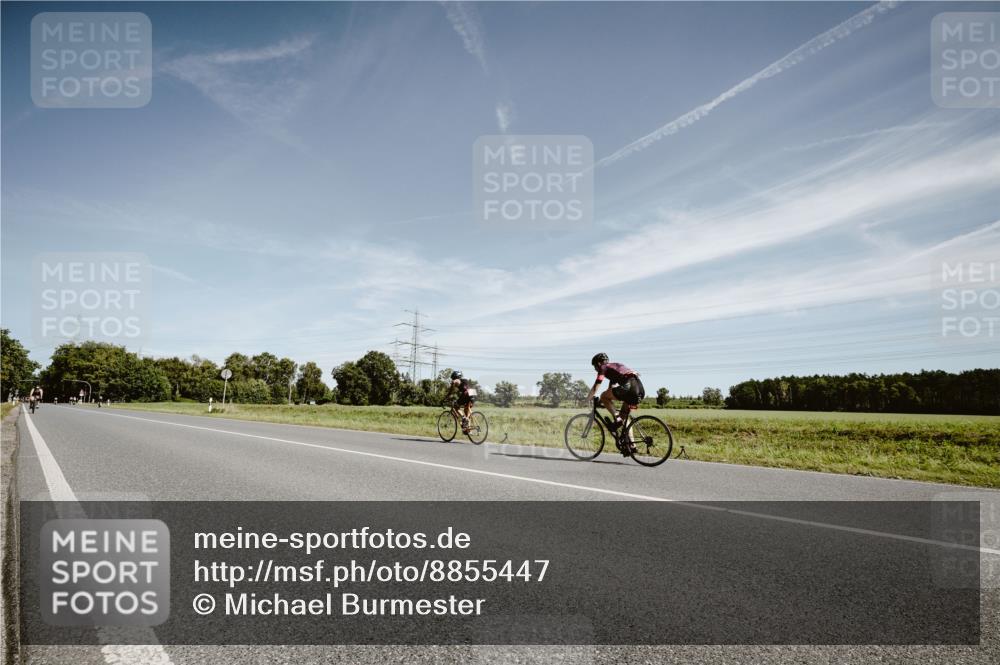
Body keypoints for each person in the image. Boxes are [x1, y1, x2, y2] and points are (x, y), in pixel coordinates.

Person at [586, 353, 645, 454]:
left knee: (604, 396)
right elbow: (611, 390)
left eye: (595, 367)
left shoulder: (603, 367)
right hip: (639, 389)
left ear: (599, 363)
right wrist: (602, 402)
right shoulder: (614, 367)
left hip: (629, 387)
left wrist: (587, 399)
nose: (595, 369)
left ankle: (617, 419)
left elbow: (597, 386)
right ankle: (631, 446)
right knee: (625, 418)